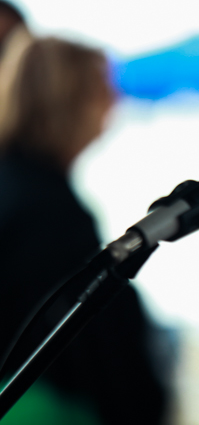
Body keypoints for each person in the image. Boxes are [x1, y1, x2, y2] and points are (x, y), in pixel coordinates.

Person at [0, 35, 170, 424]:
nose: (115, 102)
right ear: (68, 100)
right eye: (101, 89)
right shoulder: (48, 211)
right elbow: (97, 341)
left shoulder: (18, 188)